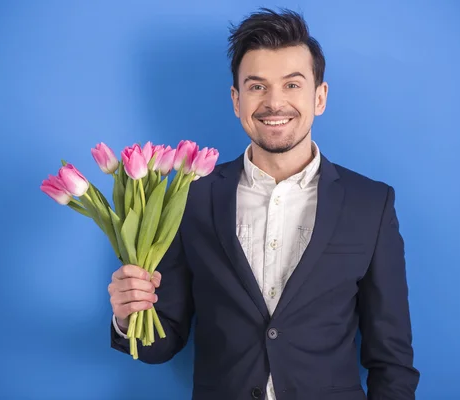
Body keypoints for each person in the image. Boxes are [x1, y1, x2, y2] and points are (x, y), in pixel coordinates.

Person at [108, 7, 420, 400]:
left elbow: (391, 359)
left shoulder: (371, 204)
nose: (275, 103)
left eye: (292, 85)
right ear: (236, 100)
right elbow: (161, 344)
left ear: (319, 96)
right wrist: (127, 316)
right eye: (257, 86)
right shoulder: (188, 197)